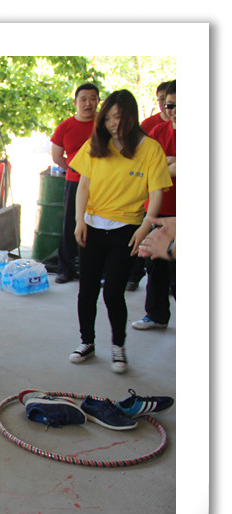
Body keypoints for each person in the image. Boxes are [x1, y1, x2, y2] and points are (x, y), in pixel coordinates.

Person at [68, 89, 172, 374]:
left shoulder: (150, 149)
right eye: (108, 119)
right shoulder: (96, 143)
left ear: (131, 117)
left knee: (113, 293)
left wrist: (145, 227)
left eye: (118, 117)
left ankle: (118, 346)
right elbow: (84, 185)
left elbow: (156, 192)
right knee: (86, 291)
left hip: (126, 229)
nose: (113, 124)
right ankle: (86, 342)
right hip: (92, 226)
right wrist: (79, 220)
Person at [133, 81, 176, 331]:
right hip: (157, 209)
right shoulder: (157, 131)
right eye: (170, 105)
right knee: (155, 264)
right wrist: (171, 164)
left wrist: (166, 164)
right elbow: (147, 168)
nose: (174, 110)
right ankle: (156, 315)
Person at [50, 82, 100, 284]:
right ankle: (65, 269)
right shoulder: (65, 126)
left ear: (98, 101)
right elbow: (57, 156)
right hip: (75, 181)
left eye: (93, 99)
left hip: (102, 184)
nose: (88, 103)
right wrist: (74, 167)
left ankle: (96, 270)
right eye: (83, 99)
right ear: (75, 102)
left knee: (98, 226)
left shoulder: (104, 124)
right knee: (70, 224)